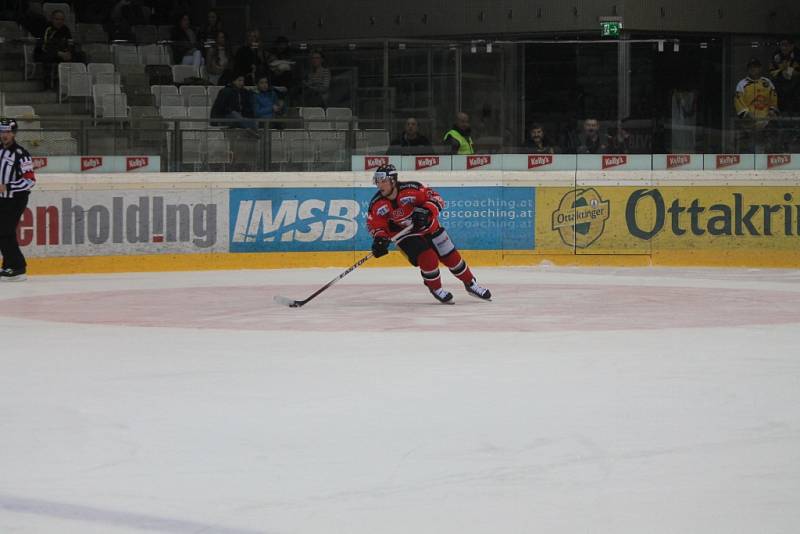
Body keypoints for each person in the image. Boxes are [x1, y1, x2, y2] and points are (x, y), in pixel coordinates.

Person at [366, 164, 491, 304]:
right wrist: (379, 239)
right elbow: (375, 225)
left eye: (383, 181)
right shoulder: (377, 204)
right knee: (428, 257)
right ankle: (436, 288)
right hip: (404, 235)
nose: (379, 185)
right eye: (377, 181)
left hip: (429, 227)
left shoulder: (412, 189)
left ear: (393, 181)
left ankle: (471, 284)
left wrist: (426, 211)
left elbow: (437, 199)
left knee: (451, 257)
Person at [0, 118, 35, 281]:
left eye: (7, 132)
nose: (4, 135)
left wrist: (8, 186)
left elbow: (30, 180)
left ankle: (18, 267)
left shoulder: (21, 154)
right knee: (4, 232)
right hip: (2, 199)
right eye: (2, 131)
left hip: (16, 199)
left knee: (5, 231)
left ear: (14, 133)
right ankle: (8, 266)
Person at [735, 57, 779, 152]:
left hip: (766, 122)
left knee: (768, 148)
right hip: (749, 124)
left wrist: (772, 111)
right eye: (751, 67)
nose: (753, 69)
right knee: (748, 149)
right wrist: (749, 118)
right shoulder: (742, 84)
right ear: (748, 69)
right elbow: (738, 103)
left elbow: (773, 99)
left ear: (760, 68)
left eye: (756, 67)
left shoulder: (767, 82)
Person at [769, 39, 800, 116]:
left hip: (795, 87)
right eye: (782, 45)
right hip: (780, 87)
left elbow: (797, 72)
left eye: (786, 45)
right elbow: (772, 71)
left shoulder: (798, 54)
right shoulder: (776, 54)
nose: (784, 48)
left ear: (792, 46)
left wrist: (787, 71)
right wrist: (781, 72)